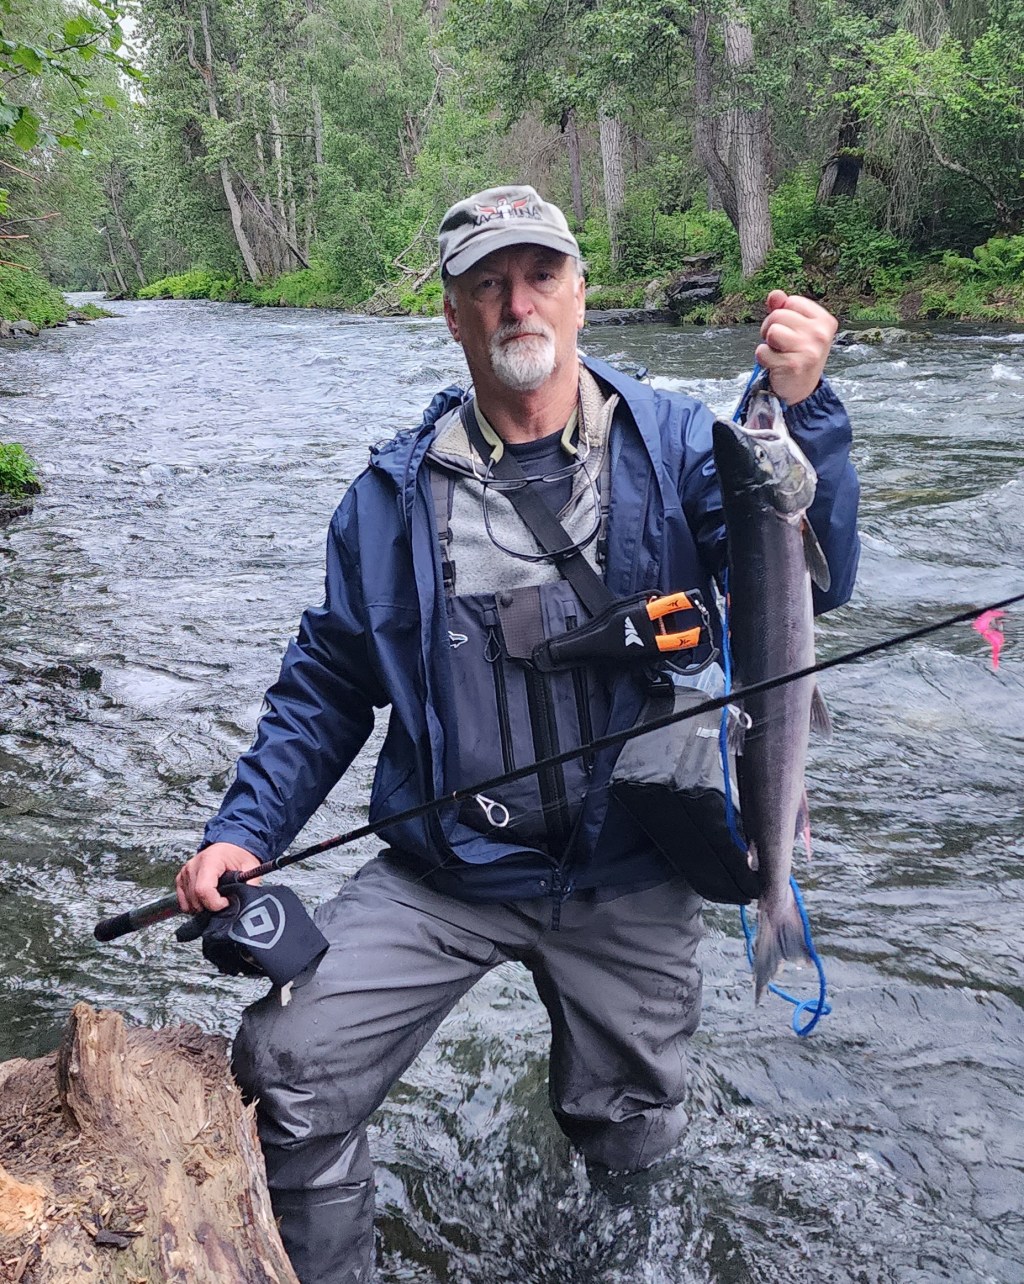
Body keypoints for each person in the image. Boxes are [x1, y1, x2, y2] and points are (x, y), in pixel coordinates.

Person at [175, 185, 860, 1283]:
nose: (516, 303)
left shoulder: (688, 448)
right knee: (286, 1071)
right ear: (452, 314)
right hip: (446, 866)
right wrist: (241, 829)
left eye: (539, 275)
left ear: (581, 295)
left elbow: (803, 590)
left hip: (633, 863)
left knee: (633, 1135)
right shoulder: (388, 497)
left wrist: (806, 405)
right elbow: (327, 685)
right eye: (487, 283)